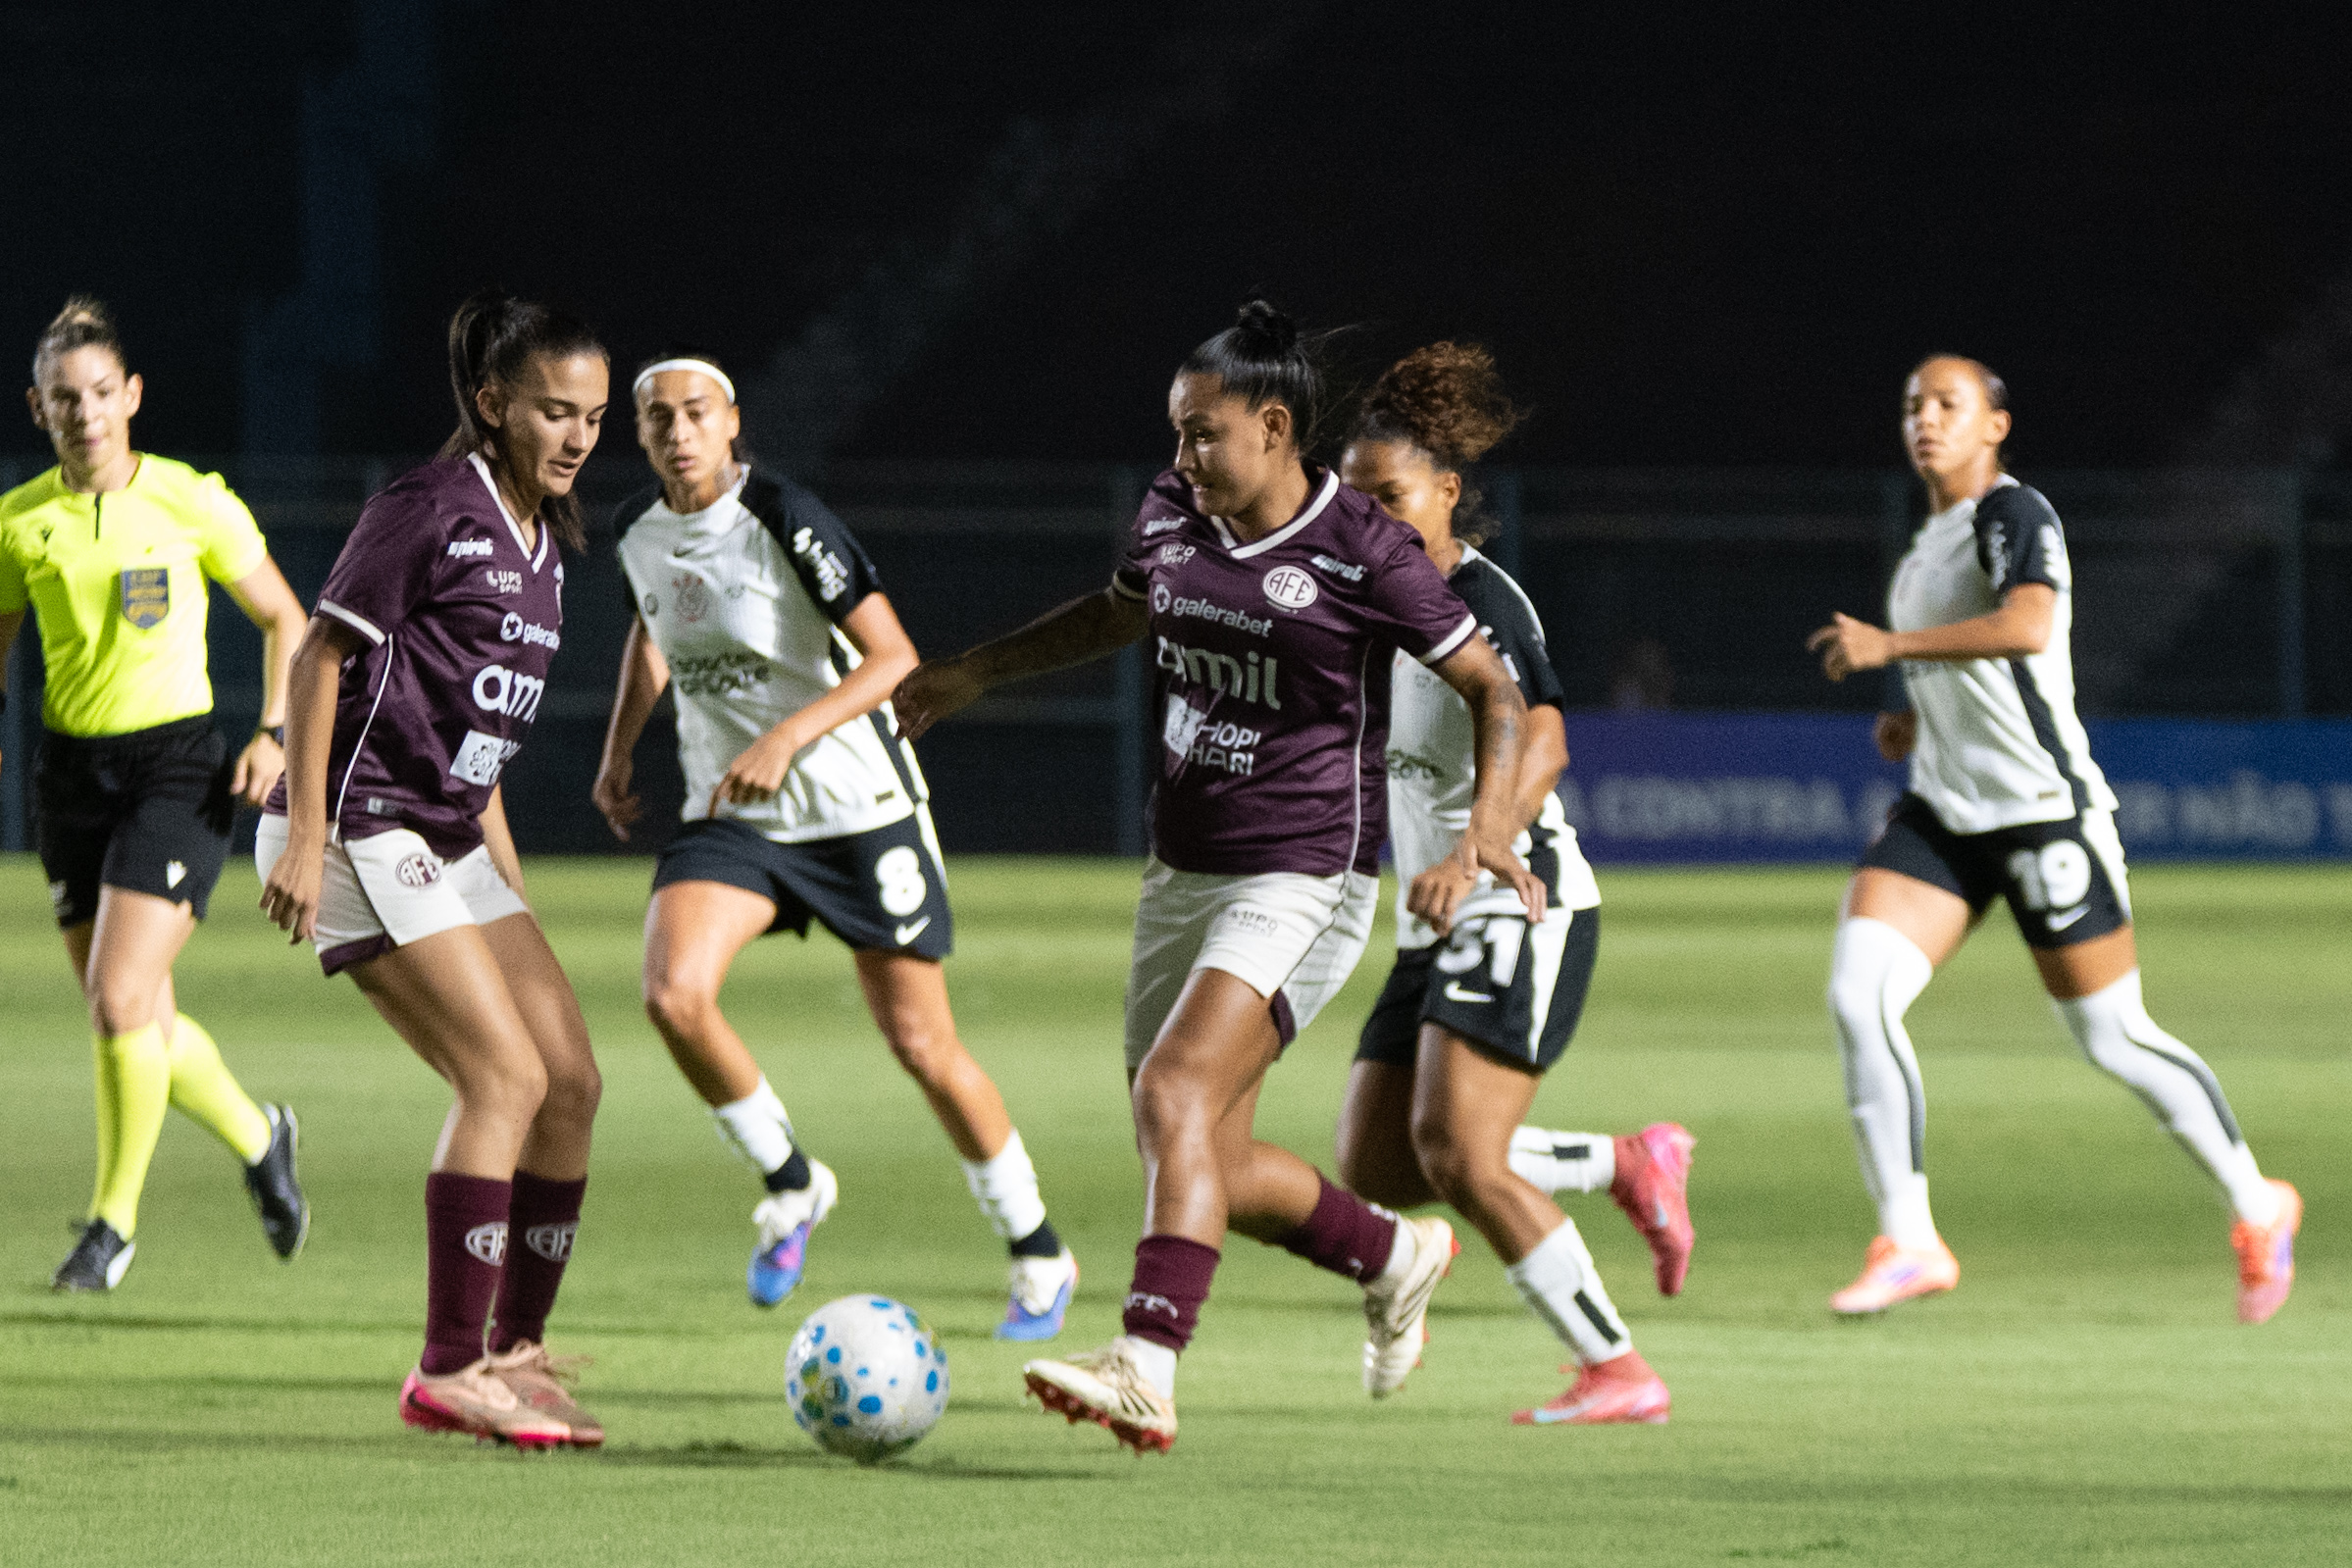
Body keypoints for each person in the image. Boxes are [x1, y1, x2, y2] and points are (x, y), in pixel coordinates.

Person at [894, 301, 1545, 1454]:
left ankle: (1145, 1364)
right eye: (1177, 434)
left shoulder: (1363, 548)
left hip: (1304, 878)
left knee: (1175, 1098)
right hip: (1183, 870)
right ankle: (1395, 1253)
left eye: (1203, 434)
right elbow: (1116, 613)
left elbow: (1497, 690)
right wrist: (971, 674)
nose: (1182, 457)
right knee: (1207, 1157)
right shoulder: (1169, 515)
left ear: (1275, 426)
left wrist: (1487, 826)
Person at [592, 349, 1078, 1334]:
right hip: (734, 813)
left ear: (732, 422)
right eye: (657, 421)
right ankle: (791, 1180)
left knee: (922, 1045)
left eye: (695, 413)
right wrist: (617, 751)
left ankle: (1038, 1251)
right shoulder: (635, 532)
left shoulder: (786, 518)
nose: (677, 432)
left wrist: (786, 734)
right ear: (638, 438)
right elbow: (652, 633)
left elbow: (895, 657)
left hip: (858, 810)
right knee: (672, 995)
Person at [1808, 353, 2301, 1322]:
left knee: (2114, 1037)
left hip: (2040, 815)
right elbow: (1975, 666)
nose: (1926, 419)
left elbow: (2028, 625)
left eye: (1949, 404)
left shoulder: (2011, 514)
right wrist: (1917, 717)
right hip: (1943, 813)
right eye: (1913, 404)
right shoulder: (1927, 544)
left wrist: (1893, 650)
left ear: (1995, 424)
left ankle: (2258, 1203)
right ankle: (1909, 1240)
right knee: (1856, 996)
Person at [257, 291, 612, 1446]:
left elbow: (480, 747)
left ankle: (516, 1349)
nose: (576, 437)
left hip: (445, 831)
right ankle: (446, 1370)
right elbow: (317, 660)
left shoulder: (549, 544)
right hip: (357, 822)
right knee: (501, 1077)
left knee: (570, 1080)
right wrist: (305, 835)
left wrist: (510, 901)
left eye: (594, 418)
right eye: (556, 412)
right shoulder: (428, 506)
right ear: (494, 401)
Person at [1332, 341, 1692, 1426]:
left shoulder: (1481, 598)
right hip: (1433, 912)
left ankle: (1616, 1368)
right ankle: (1624, 1161)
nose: (1371, 523)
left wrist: (1474, 843)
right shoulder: (1367, 608)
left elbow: (1541, 737)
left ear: (1447, 493)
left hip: (1514, 895)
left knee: (1463, 1156)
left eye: (1389, 498)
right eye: (1352, 504)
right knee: (1379, 1162)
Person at [0, 296, 309, 1293]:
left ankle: (112, 1227)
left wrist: (272, 733)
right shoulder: (19, 523)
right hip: (69, 776)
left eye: (99, 393)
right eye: (63, 400)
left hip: (178, 767)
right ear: (38, 411)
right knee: (139, 1018)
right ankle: (261, 1139)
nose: (84, 413)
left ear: (130, 396)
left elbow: (285, 619)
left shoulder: (189, 501)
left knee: (118, 999)